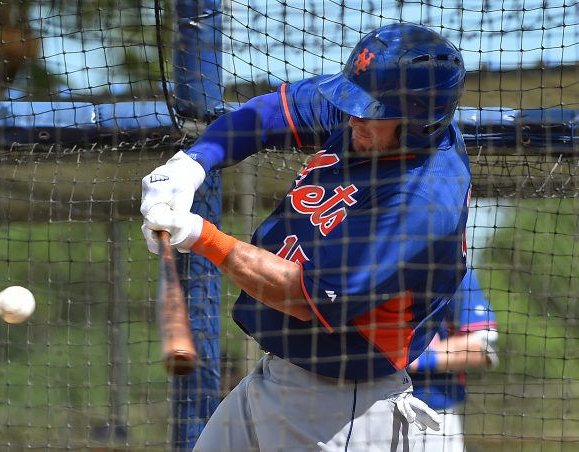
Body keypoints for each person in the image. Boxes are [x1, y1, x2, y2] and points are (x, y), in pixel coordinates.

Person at [141, 22, 470, 451]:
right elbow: (267, 115)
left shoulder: (422, 201)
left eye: (371, 113)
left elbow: (304, 298)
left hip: (342, 407)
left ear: (420, 123)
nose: (354, 120)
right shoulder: (373, 121)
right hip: (280, 375)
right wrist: (192, 164)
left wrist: (201, 237)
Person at [408, 269, 498, 452]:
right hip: (367, 406)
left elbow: (482, 350)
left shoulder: (455, 270)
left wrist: (414, 358)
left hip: (435, 417)